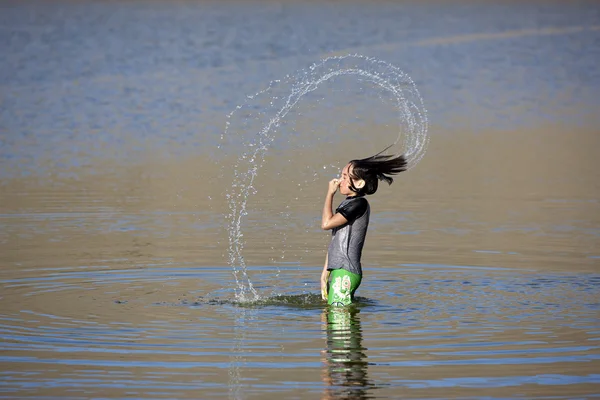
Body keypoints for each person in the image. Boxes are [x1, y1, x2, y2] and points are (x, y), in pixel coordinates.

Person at [320, 150, 407, 306]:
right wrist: (325, 272)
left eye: (345, 177)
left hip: (346, 271)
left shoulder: (358, 204)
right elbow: (336, 240)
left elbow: (326, 224)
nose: (340, 180)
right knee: (335, 321)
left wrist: (330, 194)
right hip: (339, 270)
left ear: (359, 183)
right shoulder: (347, 203)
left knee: (339, 318)